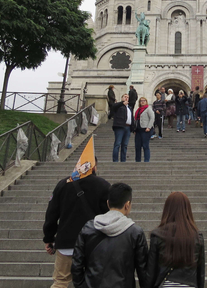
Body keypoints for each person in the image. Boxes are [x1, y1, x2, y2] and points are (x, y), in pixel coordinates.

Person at [43, 159, 111, 288]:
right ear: (94, 167)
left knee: (60, 282)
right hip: (94, 243)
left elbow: (51, 214)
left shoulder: (63, 184)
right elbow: (110, 214)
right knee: (94, 282)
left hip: (66, 242)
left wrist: (49, 238)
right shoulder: (103, 185)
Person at [71, 183, 148, 287]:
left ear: (108, 203)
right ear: (127, 204)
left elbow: (76, 264)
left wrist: (81, 285)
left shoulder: (88, 228)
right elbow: (143, 271)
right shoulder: (135, 232)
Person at [145, 192, 205, 288]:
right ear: (187, 210)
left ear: (167, 210)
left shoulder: (157, 235)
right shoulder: (197, 236)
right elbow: (200, 273)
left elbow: (151, 271)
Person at [111, 94, 133, 162]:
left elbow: (132, 118)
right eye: (125, 97)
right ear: (122, 98)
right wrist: (122, 103)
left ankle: (123, 160)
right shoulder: (118, 106)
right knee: (117, 144)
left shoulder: (129, 107)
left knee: (125, 145)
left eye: (128, 97)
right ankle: (115, 160)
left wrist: (133, 128)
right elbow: (113, 107)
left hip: (128, 127)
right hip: (120, 127)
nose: (126, 98)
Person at [134, 97, 154, 162]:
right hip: (138, 130)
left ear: (146, 101)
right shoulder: (138, 110)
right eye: (141, 101)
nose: (142, 102)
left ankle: (146, 160)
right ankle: (138, 160)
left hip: (145, 130)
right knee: (137, 146)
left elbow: (152, 118)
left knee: (145, 145)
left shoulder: (148, 109)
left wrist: (149, 127)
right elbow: (136, 119)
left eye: (144, 101)